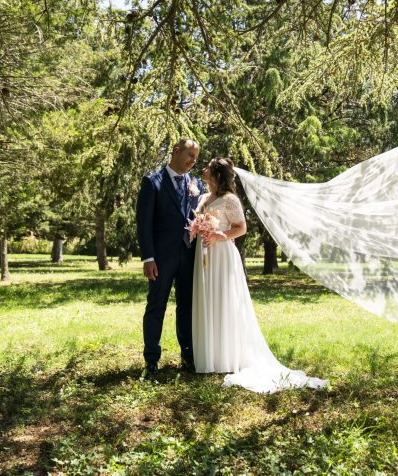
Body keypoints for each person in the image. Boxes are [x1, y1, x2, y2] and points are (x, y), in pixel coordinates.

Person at [192, 157, 327, 393]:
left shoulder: (230, 199)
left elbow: (240, 228)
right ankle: (209, 356)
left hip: (222, 254)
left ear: (216, 174)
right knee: (208, 301)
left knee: (224, 301)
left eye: (208, 167)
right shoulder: (205, 197)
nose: (203, 169)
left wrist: (217, 236)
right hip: (204, 255)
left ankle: (227, 357)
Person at [136, 138, 202, 375]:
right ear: (176, 151)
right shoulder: (152, 182)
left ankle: (188, 356)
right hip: (161, 259)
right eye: (190, 157)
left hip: (189, 257)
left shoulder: (196, 184)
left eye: (196, 159)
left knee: (187, 307)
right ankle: (151, 360)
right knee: (156, 306)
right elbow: (143, 225)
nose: (193, 162)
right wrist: (148, 258)